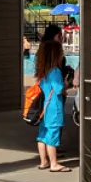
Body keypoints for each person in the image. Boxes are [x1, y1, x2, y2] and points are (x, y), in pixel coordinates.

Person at [34, 26, 71, 172]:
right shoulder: (55, 71)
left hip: (45, 106)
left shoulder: (43, 71)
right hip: (54, 107)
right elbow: (59, 89)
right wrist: (67, 85)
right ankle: (54, 163)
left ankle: (43, 161)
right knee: (53, 134)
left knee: (42, 134)